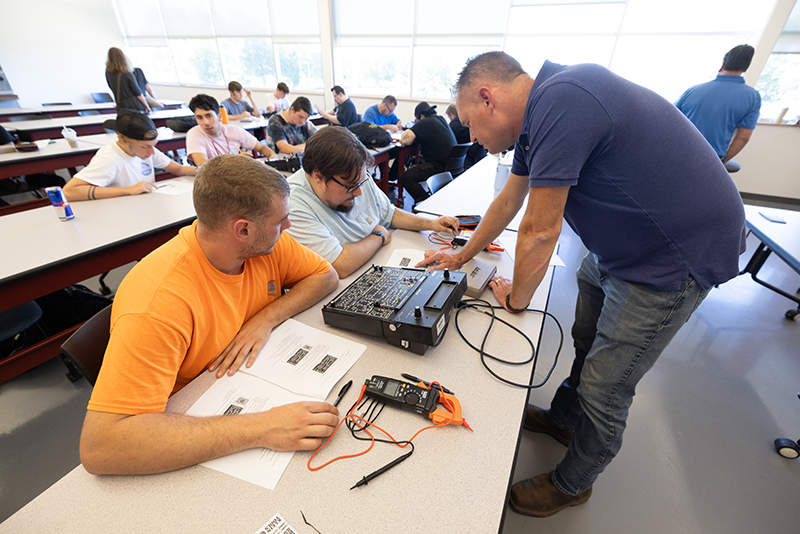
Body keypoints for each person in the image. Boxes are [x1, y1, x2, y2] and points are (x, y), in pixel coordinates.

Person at [417, 52, 746, 517]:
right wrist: (462, 254)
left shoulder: (563, 100)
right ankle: (566, 420)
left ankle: (575, 483)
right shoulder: (540, 113)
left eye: (470, 123)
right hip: (624, 245)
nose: (470, 137)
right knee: (585, 337)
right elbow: (510, 200)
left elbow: (539, 229)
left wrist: (517, 299)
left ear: (487, 98)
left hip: (672, 254)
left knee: (606, 385)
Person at [79, 154, 340, 475]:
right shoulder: (158, 301)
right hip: (187, 419)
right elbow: (100, 447)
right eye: (280, 221)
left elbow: (325, 275)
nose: (288, 226)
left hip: (243, 381)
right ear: (242, 229)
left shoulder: (266, 245)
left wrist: (267, 318)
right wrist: (261, 428)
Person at [286, 127, 458, 278]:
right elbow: (340, 265)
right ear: (319, 177)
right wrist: (379, 236)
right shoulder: (293, 204)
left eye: (360, 182)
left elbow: (389, 213)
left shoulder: (353, 176)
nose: (359, 192)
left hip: (375, 262)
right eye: (350, 187)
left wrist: (430, 224)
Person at [63, 113, 195, 201]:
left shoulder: (147, 150)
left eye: (153, 146)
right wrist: (128, 190)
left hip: (145, 204)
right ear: (122, 140)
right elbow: (68, 192)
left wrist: (207, 170)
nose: (152, 152)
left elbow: (179, 169)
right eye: (145, 147)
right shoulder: (109, 159)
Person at [675, 45, 761, 169]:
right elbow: (743, 138)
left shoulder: (693, 90)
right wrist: (721, 163)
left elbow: (669, 118)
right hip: (711, 156)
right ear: (746, 68)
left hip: (678, 151)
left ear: (722, 64)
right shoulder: (752, 97)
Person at [186, 94, 275, 166]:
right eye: (199, 117)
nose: (205, 122)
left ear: (219, 116)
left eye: (209, 116)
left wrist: (272, 155)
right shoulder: (194, 134)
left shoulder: (234, 130)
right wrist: (234, 161)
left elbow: (261, 147)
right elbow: (203, 166)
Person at [398, 102, 456, 205]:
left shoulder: (424, 122)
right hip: (453, 165)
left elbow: (404, 140)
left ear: (420, 116)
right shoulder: (441, 119)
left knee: (406, 178)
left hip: (439, 165)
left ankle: (425, 202)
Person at [105, 47, 150, 113]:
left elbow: (111, 87)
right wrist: (147, 106)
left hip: (121, 105)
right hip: (134, 105)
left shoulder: (108, 72)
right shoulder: (127, 73)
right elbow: (137, 92)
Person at [445, 103, 487, 170]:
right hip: (477, 157)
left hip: (465, 160)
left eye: (448, 117)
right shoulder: (469, 121)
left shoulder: (453, 126)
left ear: (452, 115)